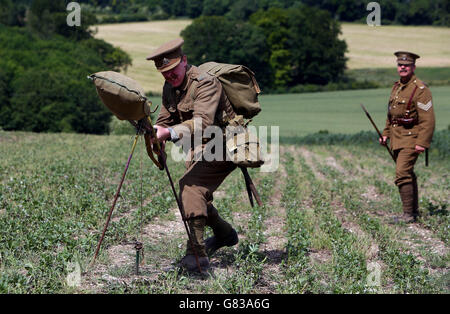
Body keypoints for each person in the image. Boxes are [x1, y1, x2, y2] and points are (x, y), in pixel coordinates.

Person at [146, 38, 239, 272]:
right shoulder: (170, 87)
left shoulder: (205, 83)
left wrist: (169, 132)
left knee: (191, 188)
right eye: (163, 72)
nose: (169, 76)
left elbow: (204, 123)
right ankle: (224, 234)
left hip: (224, 144)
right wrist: (155, 135)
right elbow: (164, 121)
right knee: (194, 197)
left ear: (184, 61)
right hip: (197, 149)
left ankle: (196, 256)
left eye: (172, 69)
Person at [380, 51, 435, 223]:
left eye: (407, 65)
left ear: (413, 67)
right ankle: (414, 212)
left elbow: (428, 119)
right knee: (407, 173)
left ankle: (408, 215)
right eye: (400, 65)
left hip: (412, 138)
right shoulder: (397, 87)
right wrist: (385, 134)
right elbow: (392, 115)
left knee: (402, 172)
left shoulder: (421, 90)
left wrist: (422, 143)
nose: (402, 67)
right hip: (397, 138)